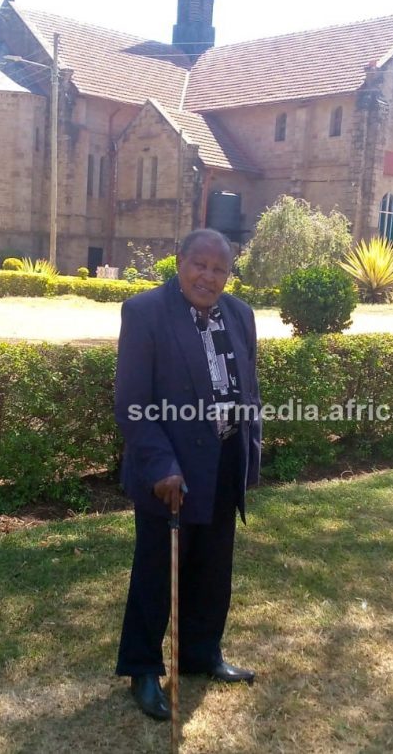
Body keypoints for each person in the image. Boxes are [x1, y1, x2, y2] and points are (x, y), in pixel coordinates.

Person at [113, 228, 263, 721]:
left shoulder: (241, 315)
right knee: (158, 573)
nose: (209, 276)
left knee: (213, 570)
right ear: (179, 262)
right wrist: (161, 466)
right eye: (200, 264)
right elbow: (133, 403)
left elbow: (250, 390)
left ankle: (202, 653)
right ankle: (142, 668)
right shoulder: (145, 313)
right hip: (170, 474)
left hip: (221, 465)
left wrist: (249, 455)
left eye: (219, 269)